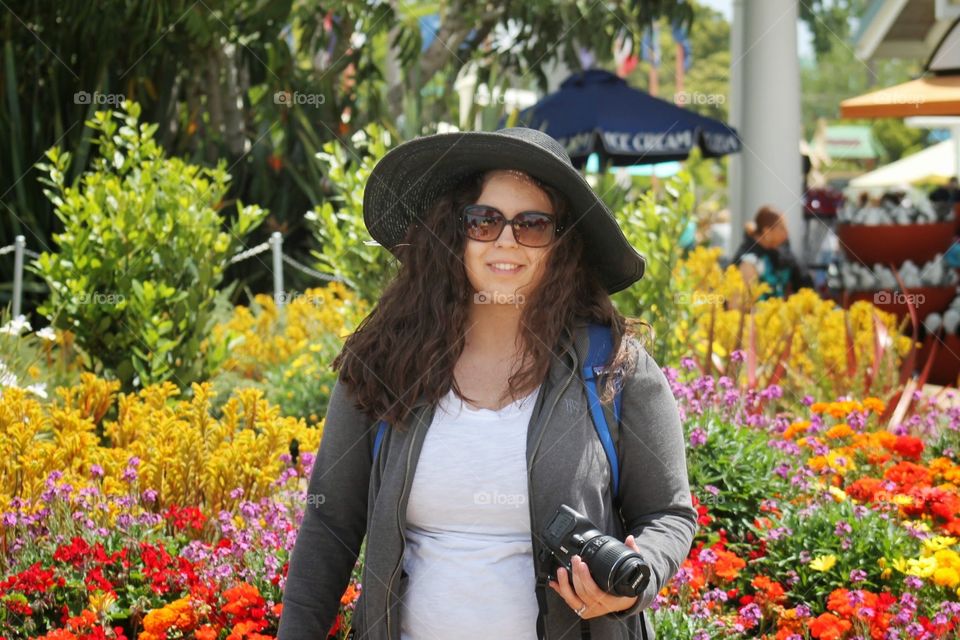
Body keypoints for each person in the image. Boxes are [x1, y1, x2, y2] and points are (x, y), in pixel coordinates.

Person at [277, 127, 697, 640]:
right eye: (484, 220)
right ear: (453, 231)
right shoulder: (385, 361)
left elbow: (668, 513)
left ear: (561, 244)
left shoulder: (615, 367)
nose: (506, 240)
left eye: (533, 225)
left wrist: (637, 578)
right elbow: (329, 525)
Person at [732, 205, 814, 301]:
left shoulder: (778, 250)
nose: (786, 233)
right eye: (782, 228)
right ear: (767, 231)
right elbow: (738, 303)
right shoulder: (748, 262)